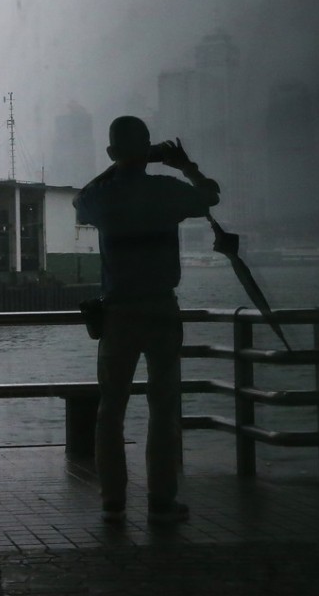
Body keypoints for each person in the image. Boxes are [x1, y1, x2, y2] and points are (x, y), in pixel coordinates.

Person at [73, 115, 219, 525]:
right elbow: (210, 196)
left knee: (111, 410)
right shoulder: (166, 191)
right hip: (160, 309)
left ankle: (112, 501)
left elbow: (78, 199)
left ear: (111, 153)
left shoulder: (102, 199)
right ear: (149, 149)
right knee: (164, 406)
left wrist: (118, 165)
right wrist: (182, 165)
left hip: (118, 314)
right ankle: (161, 499)